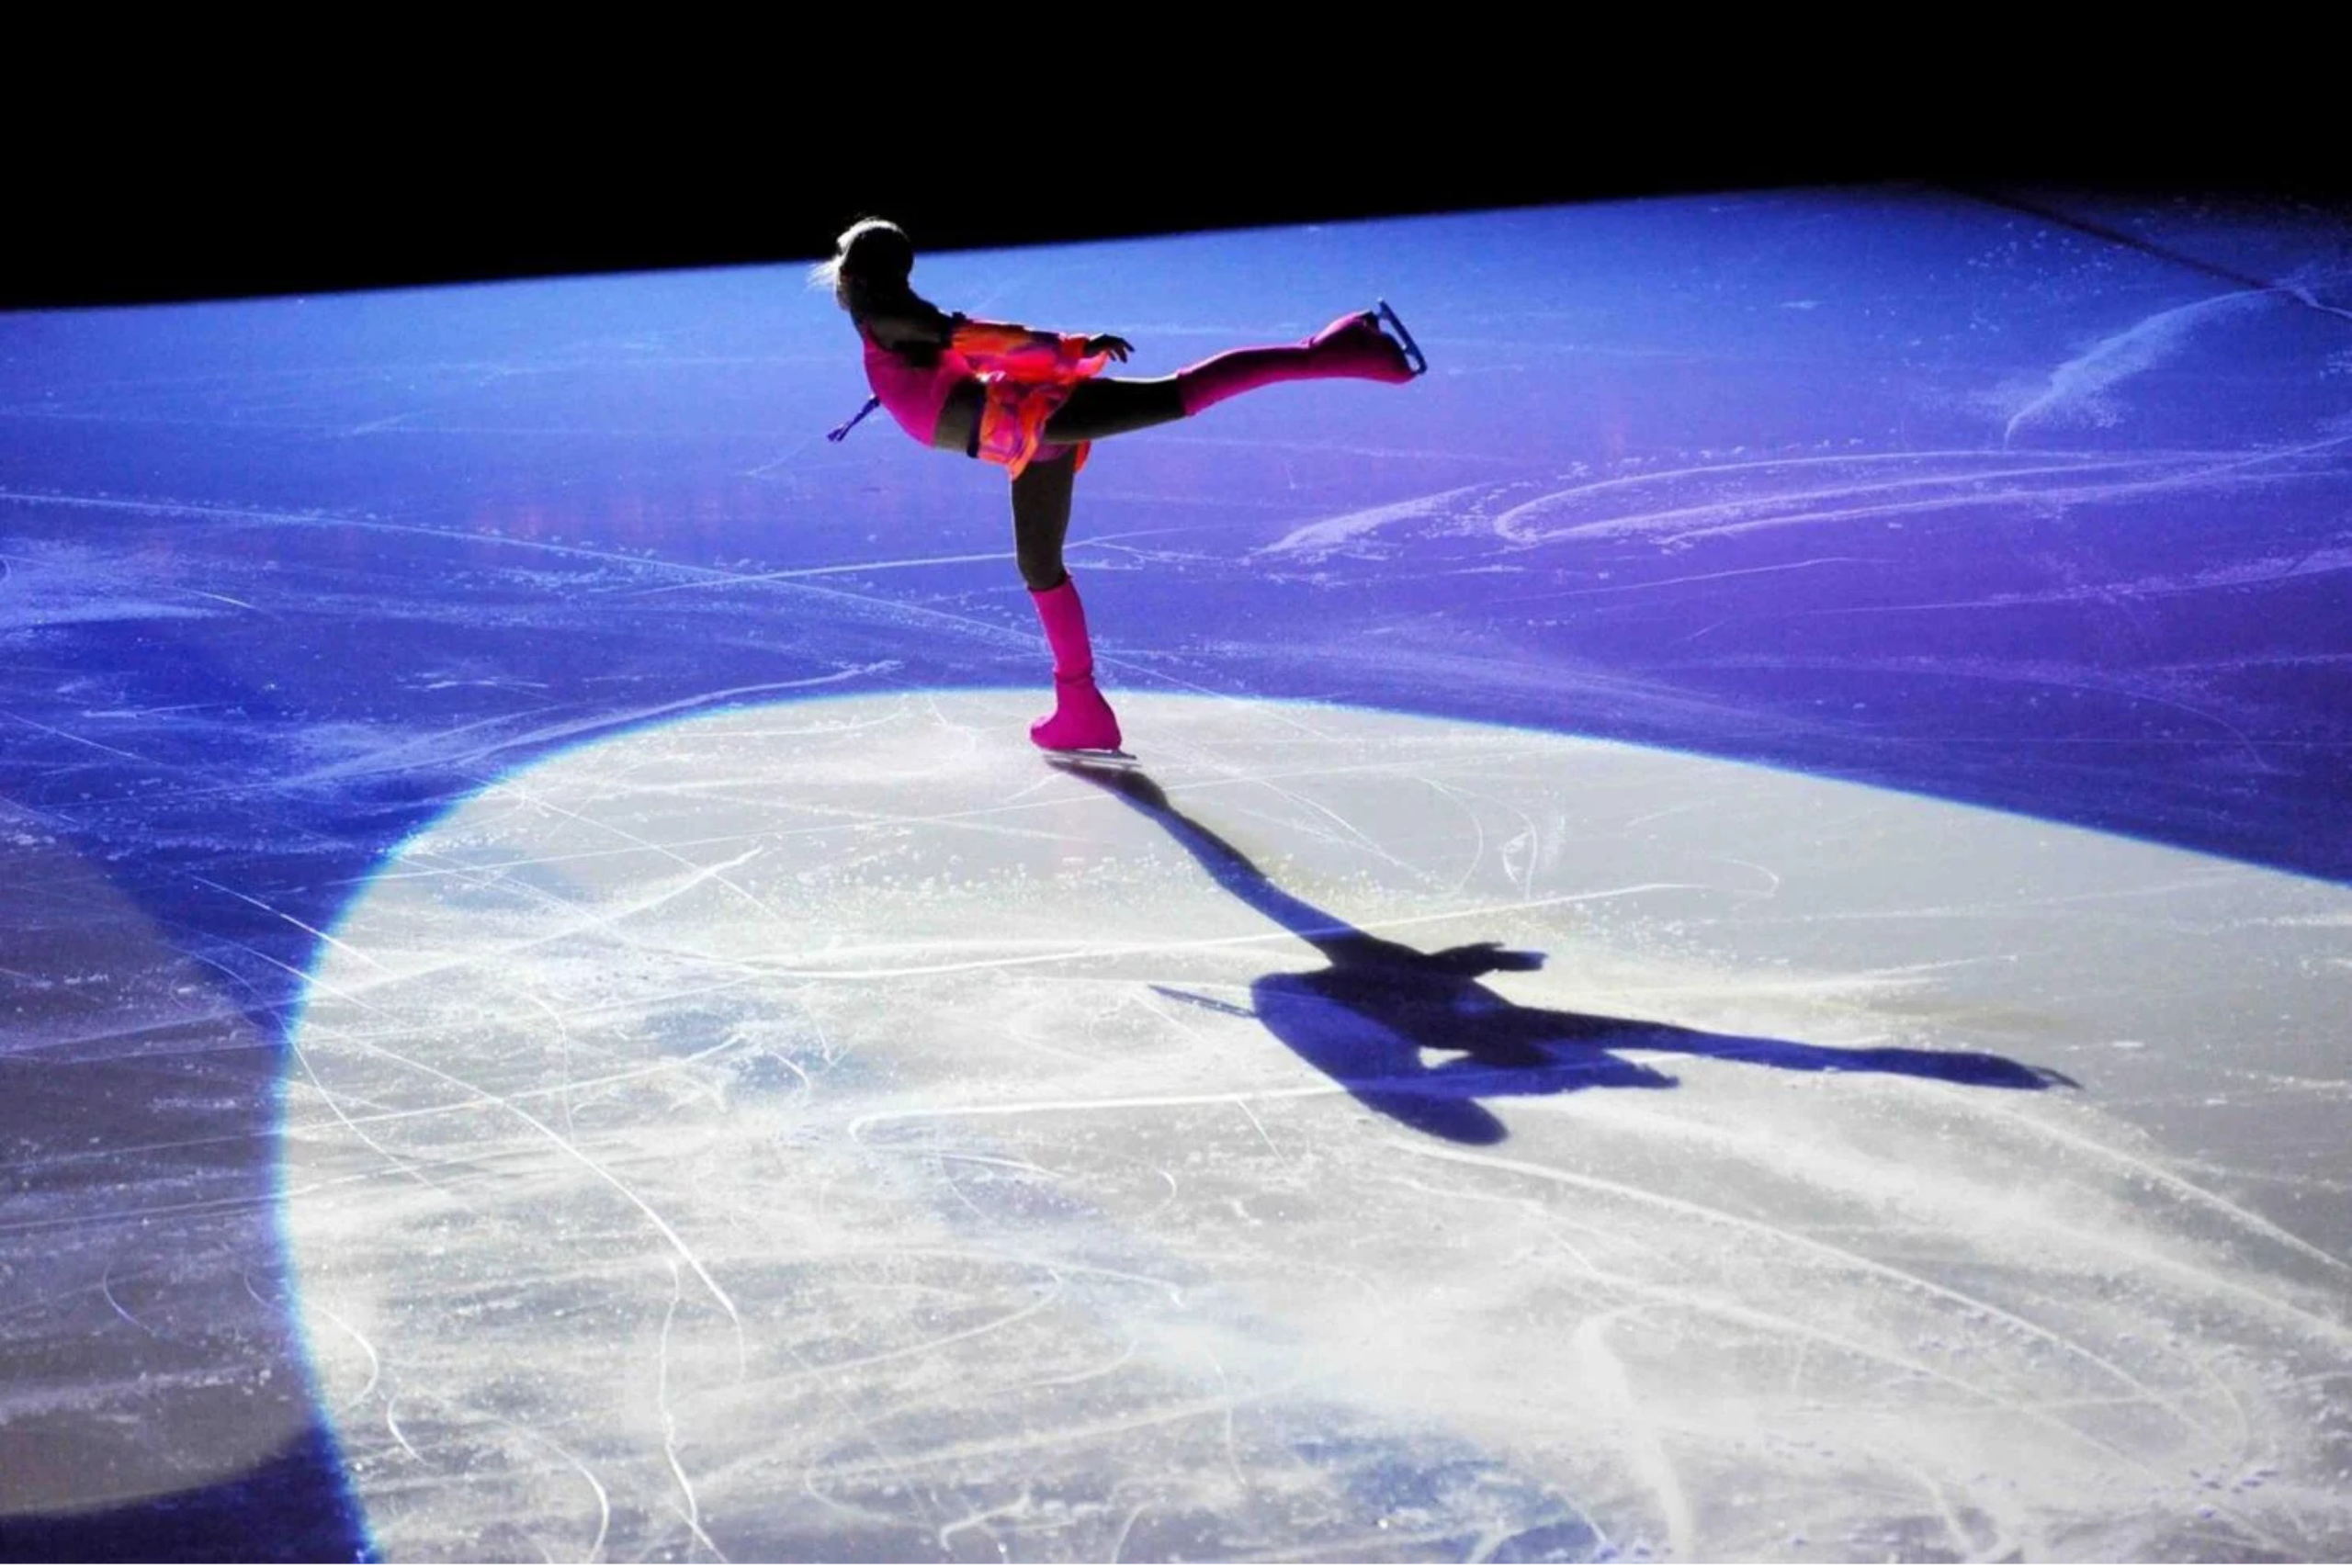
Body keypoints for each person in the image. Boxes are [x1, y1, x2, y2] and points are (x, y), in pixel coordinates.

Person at [815, 218, 1424, 753]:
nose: (838, 280)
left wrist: (1073, 349)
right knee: (1038, 564)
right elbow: (960, 355)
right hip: (1024, 439)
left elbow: (980, 338)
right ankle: (1081, 711)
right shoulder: (886, 323)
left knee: (1175, 395)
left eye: (846, 271)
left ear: (861, 279)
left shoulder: (892, 317)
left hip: (1030, 418)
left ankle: (1330, 349)